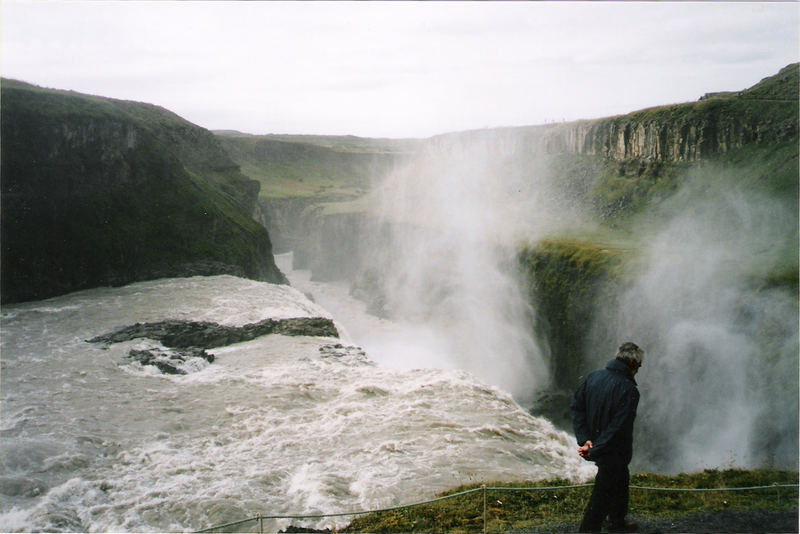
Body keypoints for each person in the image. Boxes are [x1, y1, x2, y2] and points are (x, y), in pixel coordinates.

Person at [570, 342, 644, 533]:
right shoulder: (629, 390)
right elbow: (617, 428)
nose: (638, 370)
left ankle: (618, 522)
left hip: (596, 444)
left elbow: (577, 408)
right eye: (639, 366)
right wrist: (595, 447)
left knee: (621, 479)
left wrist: (585, 439)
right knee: (601, 497)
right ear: (631, 365)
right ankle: (589, 530)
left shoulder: (594, 377)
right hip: (612, 450)